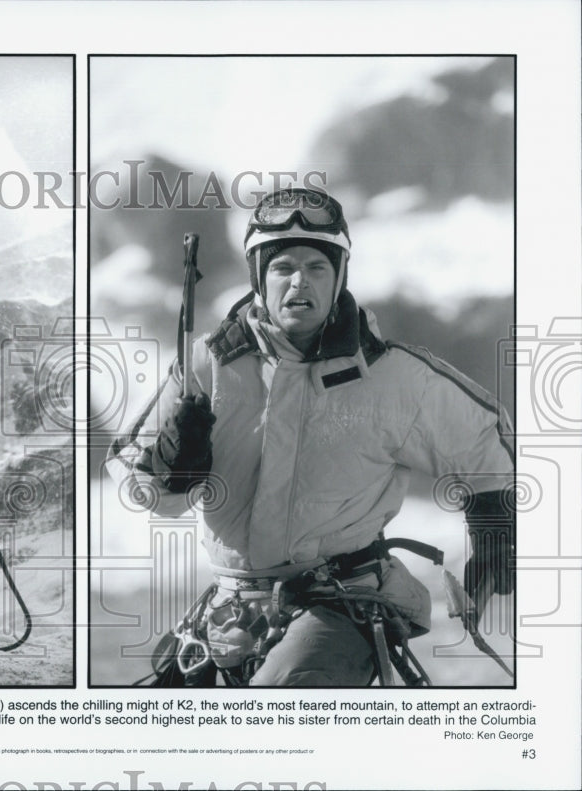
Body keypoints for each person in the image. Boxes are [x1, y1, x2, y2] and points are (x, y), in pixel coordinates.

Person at [107, 187, 515, 686]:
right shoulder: (204, 366)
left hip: (344, 605)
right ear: (259, 277)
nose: (300, 280)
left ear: (339, 276)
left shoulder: (396, 377)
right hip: (230, 612)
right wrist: (168, 468)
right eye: (283, 267)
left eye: (317, 267)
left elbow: (484, 439)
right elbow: (139, 482)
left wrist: (496, 527)